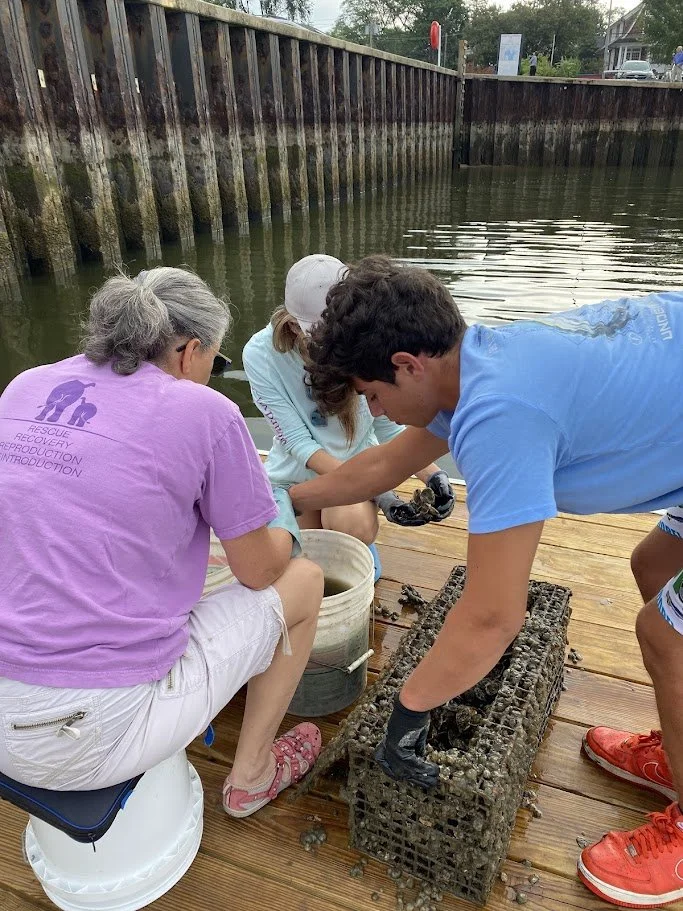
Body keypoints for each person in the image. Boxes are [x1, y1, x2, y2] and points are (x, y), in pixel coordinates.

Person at [288, 254, 683, 908]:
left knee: (665, 636)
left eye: (371, 393)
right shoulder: (470, 360)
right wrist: (282, 494)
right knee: (652, 568)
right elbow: (382, 463)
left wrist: (406, 713)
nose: (374, 406)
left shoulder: (500, 415)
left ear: (407, 363)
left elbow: (491, 617)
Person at [0, 266, 324, 819]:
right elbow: (255, 571)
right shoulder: (205, 412)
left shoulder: (25, 386)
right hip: (94, 732)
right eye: (215, 363)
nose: (211, 375)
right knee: (305, 582)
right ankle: (252, 775)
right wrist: (286, 533)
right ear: (189, 351)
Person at [242, 254, 455, 582]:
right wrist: (382, 492)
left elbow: (386, 423)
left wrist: (432, 475)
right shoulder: (259, 355)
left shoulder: (361, 344)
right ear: (292, 321)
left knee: (349, 526)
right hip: (296, 473)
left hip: (359, 474)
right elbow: (298, 442)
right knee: (301, 559)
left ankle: (360, 543)